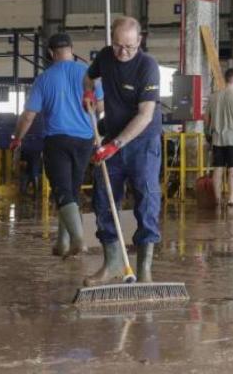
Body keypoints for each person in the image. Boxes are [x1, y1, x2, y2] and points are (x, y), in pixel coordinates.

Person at [82, 16, 164, 285]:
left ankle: (145, 270)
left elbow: (145, 116)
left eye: (129, 46)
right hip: (112, 139)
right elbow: (88, 76)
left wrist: (114, 146)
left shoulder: (147, 66)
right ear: (112, 41)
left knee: (147, 199)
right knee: (103, 200)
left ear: (139, 41)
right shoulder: (106, 57)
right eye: (118, 45)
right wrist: (89, 93)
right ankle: (113, 263)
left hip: (142, 141)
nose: (123, 52)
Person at [11, 33, 102, 258]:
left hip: (57, 140)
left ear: (51, 53)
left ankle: (79, 239)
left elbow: (29, 115)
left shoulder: (44, 79)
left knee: (62, 190)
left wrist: (17, 137)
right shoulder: (89, 74)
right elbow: (100, 107)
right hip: (85, 140)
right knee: (71, 190)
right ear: (71, 48)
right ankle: (62, 243)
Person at [204, 67, 233, 207]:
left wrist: (208, 132)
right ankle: (231, 200)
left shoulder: (213, 97)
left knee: (217, 170)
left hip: (217, 140)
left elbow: (206, 118)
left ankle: (217, 200)